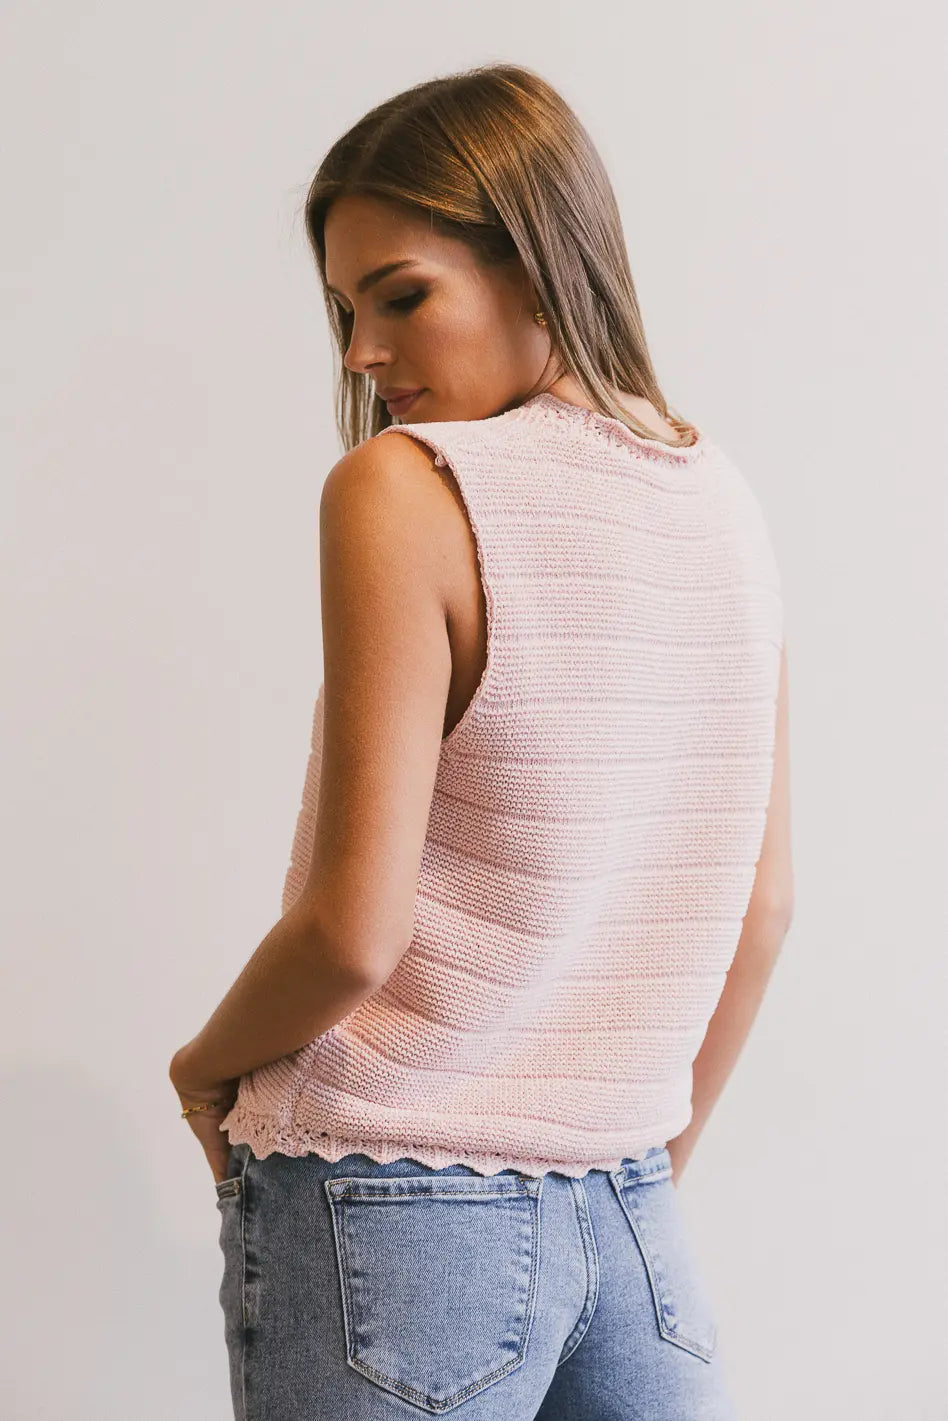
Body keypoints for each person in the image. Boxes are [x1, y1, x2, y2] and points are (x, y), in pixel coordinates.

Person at [169, 62, 792, 1421]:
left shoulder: (404, 488)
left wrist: (203, 1065)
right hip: (637, 1222)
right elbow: (760, 911)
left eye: (401, 297)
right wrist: (628, 1156)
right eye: (345, 310)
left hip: (394, 1203)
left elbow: (353, 931)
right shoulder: (725, 505)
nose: (361, 353)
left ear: (542, 262)